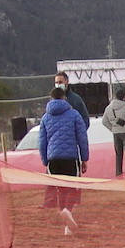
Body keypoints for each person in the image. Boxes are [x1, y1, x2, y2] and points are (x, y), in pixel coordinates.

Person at [38, 86, 88, 234]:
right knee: (71, 188)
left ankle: (65, 215)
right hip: (70, 158)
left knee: (60, 189)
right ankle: (68, 212)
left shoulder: (45, 118)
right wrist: (84, 158)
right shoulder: (74, 115)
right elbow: (82, 138)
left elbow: (42, 142)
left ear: (51, 98)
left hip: (53, 159)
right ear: (65, 98)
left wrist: (45, 161)